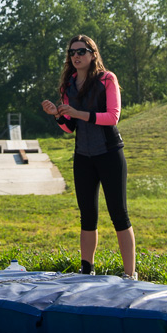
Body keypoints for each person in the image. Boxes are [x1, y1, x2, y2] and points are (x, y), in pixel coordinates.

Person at [41, 34, 136, 279]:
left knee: (119, 213)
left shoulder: (107, 79)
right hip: (83, 156)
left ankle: (130, 274)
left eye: (81, 51)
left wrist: (78, 113)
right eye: (72, 52)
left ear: (93, 54)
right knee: (87, 215)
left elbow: (112, 117)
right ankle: (87, 270)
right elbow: (70, 127)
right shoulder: (68, 86)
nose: (76, 56)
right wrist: (58, 115)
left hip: (109, 153)